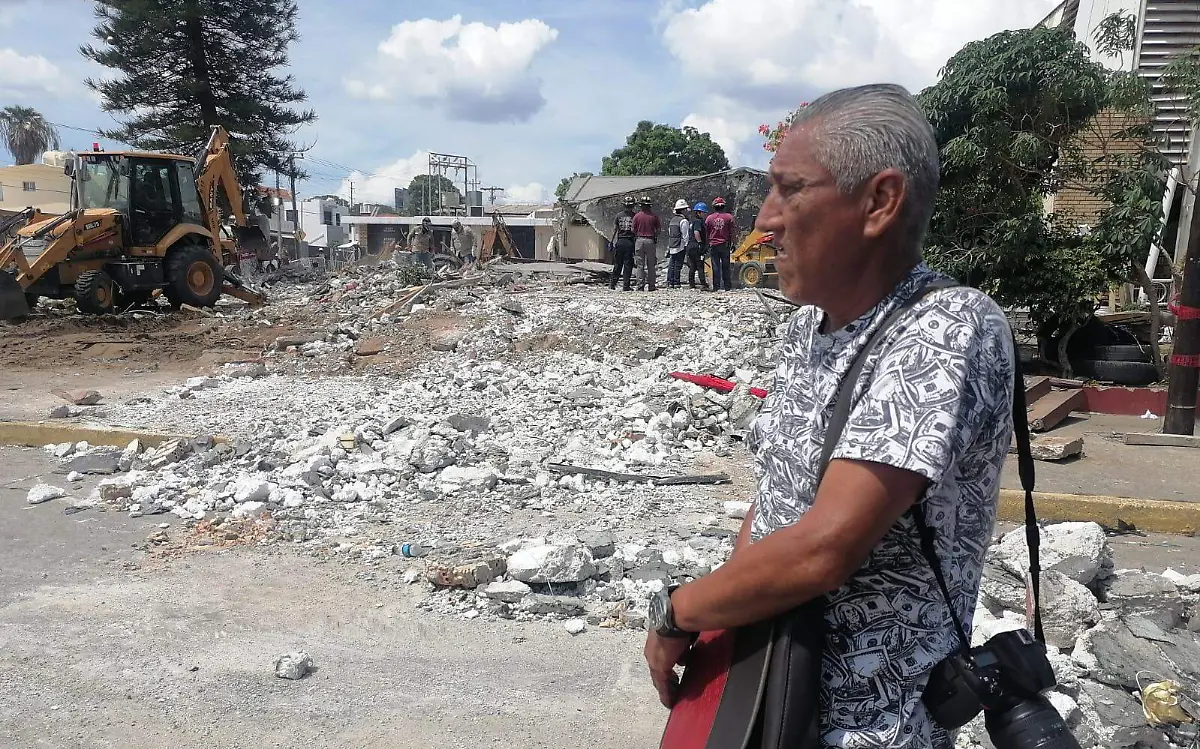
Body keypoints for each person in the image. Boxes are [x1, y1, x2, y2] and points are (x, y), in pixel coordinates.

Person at [642, 83, 1015, 749]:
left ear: (879, 201)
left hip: (874, 727)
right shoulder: (811, 326)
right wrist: (725, 630)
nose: (765, 219)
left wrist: (677, 612)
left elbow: (824, 547)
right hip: (777, 699)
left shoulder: (948, 327)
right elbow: (779, 496)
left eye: (790, 189)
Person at [704, 196, 735, 291]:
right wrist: (733, 243)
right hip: (725, 245)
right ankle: (727, 286)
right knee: (726, 266)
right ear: (724, 206)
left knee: (715, 266)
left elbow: (706, 233)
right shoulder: (729, 217)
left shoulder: (709, 218)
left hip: (713, 244)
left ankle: (716, 286)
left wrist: (706, 244)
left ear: (714, 207)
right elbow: (732, 232)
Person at [632, 195, 661, 291]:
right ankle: (651, 286)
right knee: (651, 265)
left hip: (639, 240)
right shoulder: (654, 216)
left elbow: (633, 229)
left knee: (640, 265)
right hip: (650, 240)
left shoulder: (637, 216)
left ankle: (640, 285)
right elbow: (658, 230)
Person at [610, 196, 637, 290]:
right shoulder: (635, 216)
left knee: (618, 264)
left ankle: (612, 284)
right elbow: (636, 231)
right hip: (629, 242)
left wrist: (611, 242)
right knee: (628, 264)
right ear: (633, 205)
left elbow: (614, 230)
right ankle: (626, 286)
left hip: (620, 241)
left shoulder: (619, 216)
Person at [665, 199, 691, 289]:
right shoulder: (683, 221)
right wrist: (687, 245)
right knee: (678, 265)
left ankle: (670, 282)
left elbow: (670, 233)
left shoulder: (672, 220)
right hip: (680, 245)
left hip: (672, 245)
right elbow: (685, 235)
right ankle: (676, 282)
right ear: (683, 210)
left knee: (672, 264)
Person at [687, 202, 710, 290]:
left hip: (691, 247)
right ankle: (703, 284)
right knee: (700, 265)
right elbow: (696, 233)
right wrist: (700, 243)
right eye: (704, 212)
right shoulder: (698, 222)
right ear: (699, 212)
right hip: (696, 247)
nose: (705, 214)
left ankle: (691, 284)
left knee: (693, 266)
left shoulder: (693, 221)